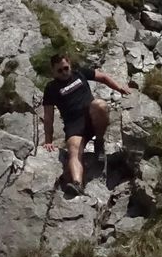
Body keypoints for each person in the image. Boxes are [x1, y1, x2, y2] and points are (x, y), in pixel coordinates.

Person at [42, 54, 129, 197]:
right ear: (53, 71)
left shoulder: (79, 73)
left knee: (99, 105)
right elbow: (48, 116)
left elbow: (103, 77)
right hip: (74, 125)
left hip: (91, 115)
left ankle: (99, 142)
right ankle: (77, 184)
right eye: (60, 71)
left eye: (66, 68)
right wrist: (48, 141)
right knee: (73, 150)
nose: (64, 73)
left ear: (69, 64)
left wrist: (119, 88)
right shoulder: (51, 88)